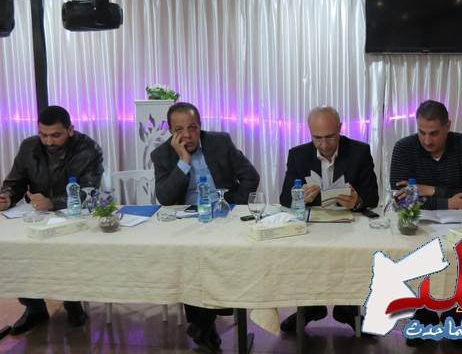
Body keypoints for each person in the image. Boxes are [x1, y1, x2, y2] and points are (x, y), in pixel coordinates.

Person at [151, 102, 259, 351]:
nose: (187, 135)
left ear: (200, 126)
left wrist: (231, 203)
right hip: (188, 220)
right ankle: (204, 324)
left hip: (223, 216)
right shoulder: (161, 155)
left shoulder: (220, 142)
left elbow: (250, 176)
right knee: (191, 260)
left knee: (221, 258)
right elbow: (165, 198)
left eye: (193, 128)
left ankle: (203, 324)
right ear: (170, 131)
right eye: (179, 130)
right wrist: (184, 161)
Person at [0, 105, 103, 335]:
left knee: (69, 253)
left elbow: (89, 191)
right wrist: (7, 197)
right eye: (43, 135)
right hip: (38, 214)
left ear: (70, 130)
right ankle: (34, 307)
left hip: (75, 215)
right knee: (17, 250)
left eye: (55, 135)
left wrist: (54, 203)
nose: (48, 142)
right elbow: (15, 181)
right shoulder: (29, 147)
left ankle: (72, 302)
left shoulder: (88, 148)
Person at [390, 99, 462, 346]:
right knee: (416, 259)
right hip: (420, 224)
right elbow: (401, 199)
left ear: (447, 126)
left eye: (434, 133)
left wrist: (427, 189)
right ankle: (424, 314)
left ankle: (459, 315)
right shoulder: (404, 148)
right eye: (422, 132)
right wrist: (448, 201)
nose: (427, 140)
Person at [279, 106, 379, 334]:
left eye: (330, 137)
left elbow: (372, 197)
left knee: (353, 257)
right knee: (303, 256)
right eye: (317, 138)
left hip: (349, 224)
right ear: (309, 132)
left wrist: (357, 201)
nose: (324, 145)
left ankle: (348, 309)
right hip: (313, 225)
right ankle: (310, 308)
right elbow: (284, 197)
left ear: (340, 129)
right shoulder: (298, 155)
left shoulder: (359, 152)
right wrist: (299, 197)